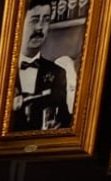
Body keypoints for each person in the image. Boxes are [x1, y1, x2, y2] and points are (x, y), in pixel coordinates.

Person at [11, 0, 74, 132]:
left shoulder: (57, 72)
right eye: (34, 20)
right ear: (18, 23)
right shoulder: (2, 70)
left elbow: (64, 121)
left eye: (45, 20)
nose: (40, 27)